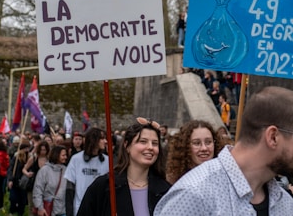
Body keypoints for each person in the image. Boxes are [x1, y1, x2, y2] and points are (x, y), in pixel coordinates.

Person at [154, 86, 293, 215]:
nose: (203, 148)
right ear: (273, 137)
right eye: (197, 143)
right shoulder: (193, 195)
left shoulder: (285, 202)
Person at [77, 117, 170, 216]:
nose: (150, 147)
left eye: (155, 143)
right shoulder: (103, 186)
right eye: (143, 141)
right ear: (127, 145)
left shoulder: (165, 191)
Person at [64, 127, 109, 215]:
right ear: (94, 140)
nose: (106, 141)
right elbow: (69, 188)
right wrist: (69, 212)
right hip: (80, 209)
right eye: (102, 138)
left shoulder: (107, 161)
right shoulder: (76, 159)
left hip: (100, 209)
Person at [165, 120, 223, 185]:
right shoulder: (174, 181)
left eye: (208, 142)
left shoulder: (224, 178)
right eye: (197, 143)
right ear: (185, 146)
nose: (204, 148)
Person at [32, 145, 67, 216]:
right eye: (63, 155)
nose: (65, 157)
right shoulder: (45, 170)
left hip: (62, 209)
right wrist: (40, 207)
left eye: (66, 155)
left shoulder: (66, 170)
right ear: (56, 155)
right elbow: (38, 190)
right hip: (47, 209)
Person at [22, 140, 50, 215]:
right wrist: (27, 174)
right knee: (32, 206)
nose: (42, 152)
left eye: (44, 150)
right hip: (33, 185)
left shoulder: (49, 160)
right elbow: (24, 169)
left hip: (45, 186)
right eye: (41, 149)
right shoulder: (34, 158)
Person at [7, 139, 31, 216]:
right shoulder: (16, 158)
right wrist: (10, 180)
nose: (26, 150)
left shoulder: (30, 158)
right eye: (25, 149)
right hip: (15, 181)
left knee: (22, 200)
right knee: (13, 198)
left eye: (27, 148)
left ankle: (20, 212)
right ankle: (12, 210)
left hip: (24, 182)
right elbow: (11, 169)